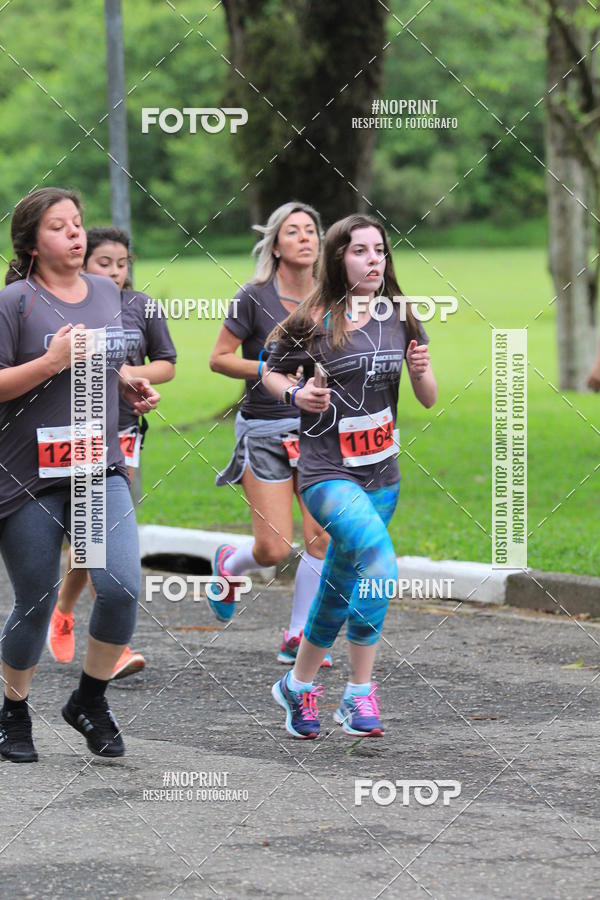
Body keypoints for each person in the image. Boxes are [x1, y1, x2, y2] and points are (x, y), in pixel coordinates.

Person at [262, 213, 437, 739]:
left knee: (338, 591)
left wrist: (423, 370)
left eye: (380, 250)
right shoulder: (313, 319)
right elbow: (266, 370)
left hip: (382, 476)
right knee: (379, 564)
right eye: (360, 251)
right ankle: (360, 694)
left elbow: (427, 398)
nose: (374, 260)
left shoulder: (401, 314)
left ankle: (296, 686)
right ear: (339, 259)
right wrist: (296, 395)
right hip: (326, 473)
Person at [0, 188, 160, 762]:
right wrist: (48, 363)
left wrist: (129, 387)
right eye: (58, 227)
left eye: (78, 224)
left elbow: (107, 360)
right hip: (26, 475)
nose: (74, 234)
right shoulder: (13, 301)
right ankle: (13, 711)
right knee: (36, 601)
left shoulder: (105, 291)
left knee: (119, 587)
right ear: (31, 242)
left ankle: (89, 700)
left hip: (96, 466)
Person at [47, 227, 176, 679]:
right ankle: (110, 645)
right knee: (93, 536)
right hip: (74, 430)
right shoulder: (69, 307)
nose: (116, 272)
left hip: (124, 431)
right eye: (105, 263)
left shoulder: (143, 307)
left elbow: (168, 364)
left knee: (96, 535)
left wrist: (127, 373)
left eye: (122, 263)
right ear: (84, 264)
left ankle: (63, 611)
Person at [209, 202, 331, 666]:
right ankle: (230, 563)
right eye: (293, 231)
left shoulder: (330, 298)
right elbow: (219, 358)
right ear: (275, 245)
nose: (305, 238)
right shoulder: (253, 296)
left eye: (311, 231)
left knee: (321, 535)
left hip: (317, 431)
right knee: (274, 547)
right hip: (264, 429)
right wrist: (269, 369)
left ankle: (298, 634)